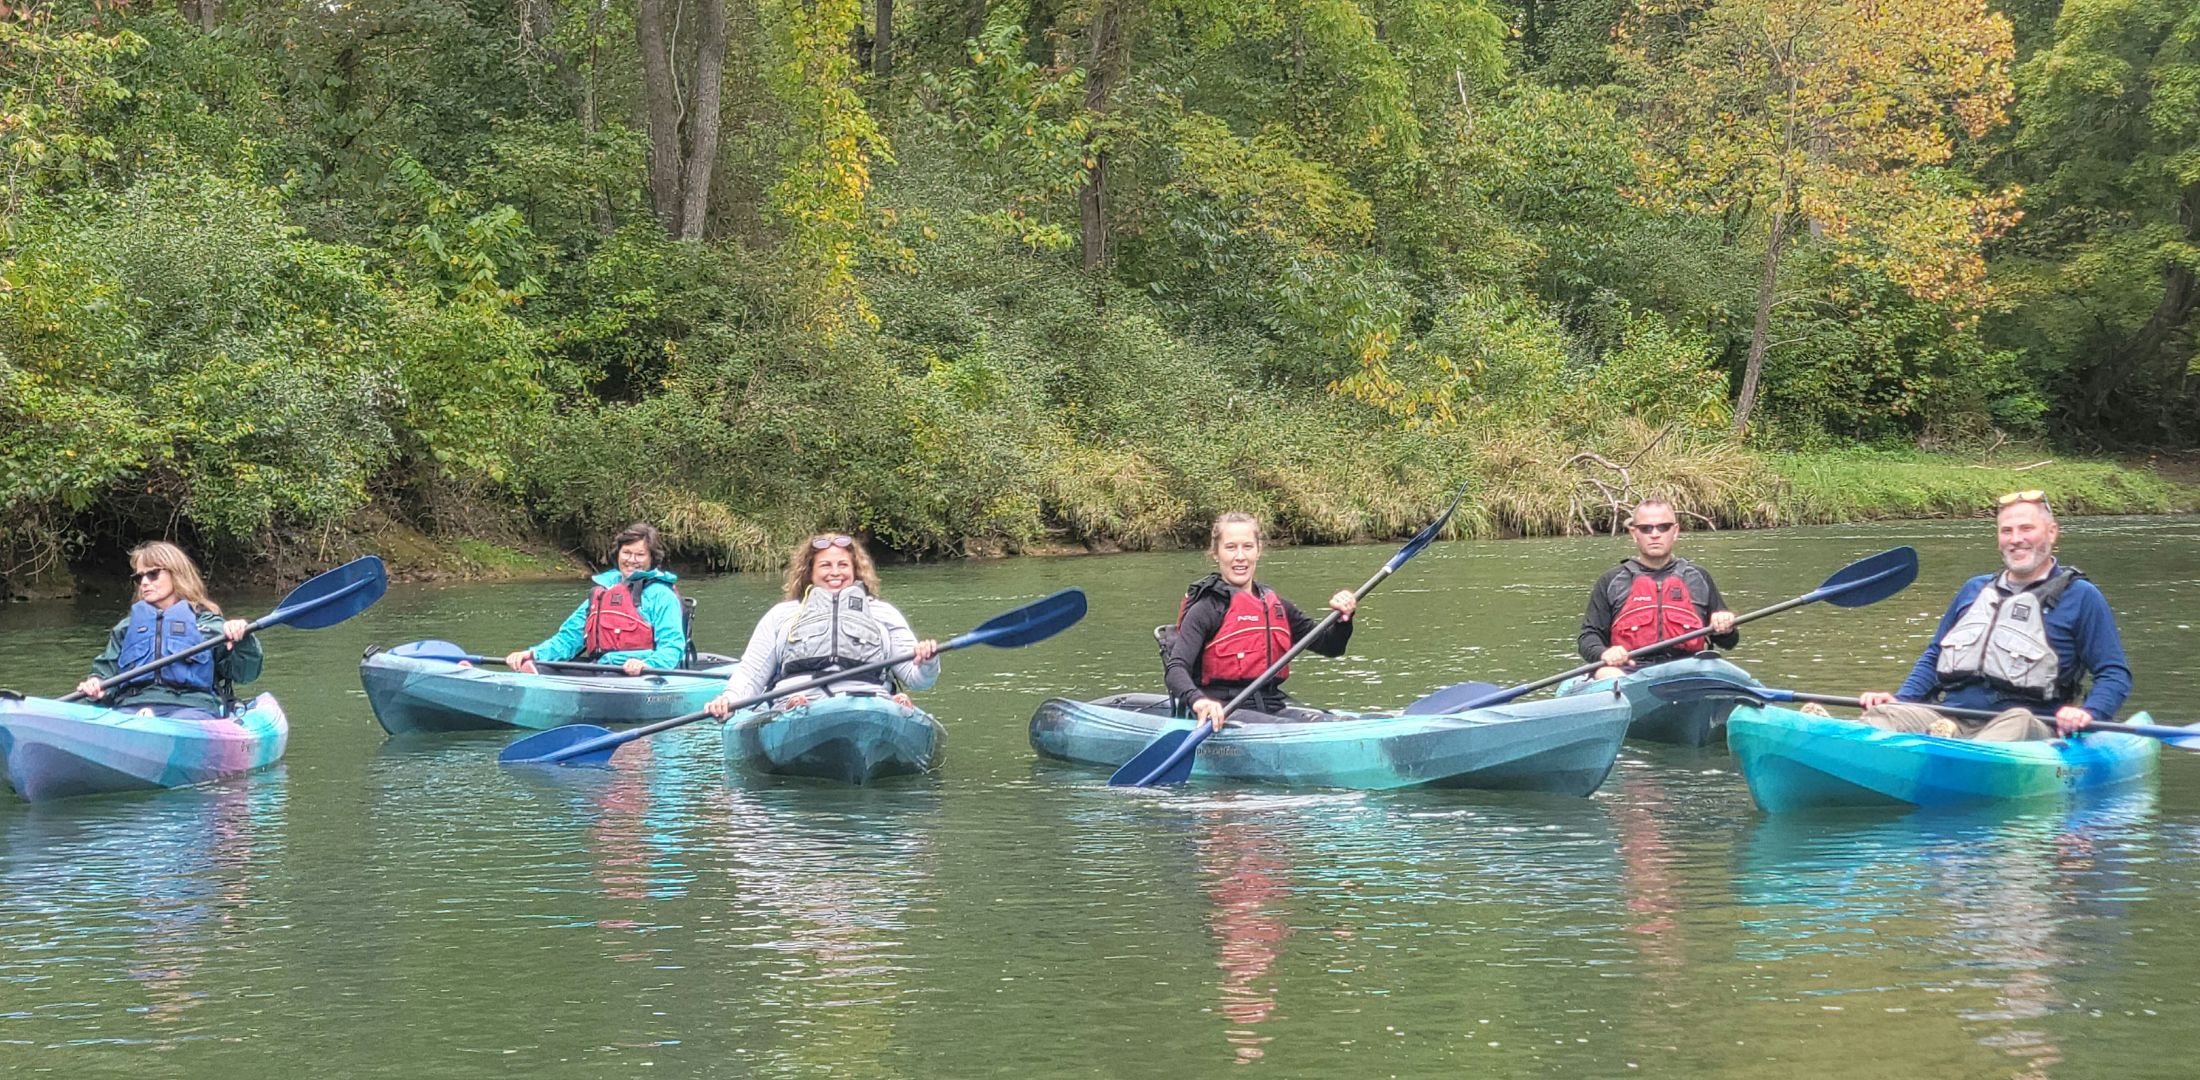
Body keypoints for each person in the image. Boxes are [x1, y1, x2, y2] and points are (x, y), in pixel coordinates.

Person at [1854, 491, 2130, 741]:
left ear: (2052, 532)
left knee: (2018, 720)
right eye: (2006, 531)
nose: (2016, 539)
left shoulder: (2082, 596)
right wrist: (1901, 700)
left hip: (2029, 728)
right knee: (1884, 715)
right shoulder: (1974, 589)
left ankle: (1953, 753)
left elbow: (2113, 674)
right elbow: (1934, 656)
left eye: (2026, 529)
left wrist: (2090, 713)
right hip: (1948, 719)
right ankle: (1939, 741)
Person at [705, 533, 939, 717]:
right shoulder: (782, 615)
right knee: (794, 705)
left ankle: (896, 707)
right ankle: (793, 707)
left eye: (843, 565)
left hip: (871, 703)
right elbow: (751, 674)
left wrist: (927, 660)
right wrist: (729, 699)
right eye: (826, 565)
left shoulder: (882, 612)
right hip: (800, 702)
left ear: (855, 570)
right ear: (810, 572)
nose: (835, 572)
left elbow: (918, 679)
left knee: (884, 704)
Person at [1162, 512, 1357, 732]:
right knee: (1293, 729)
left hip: (1272, 707)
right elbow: (1176, 669)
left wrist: (1343, 619)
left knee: (1336, 722)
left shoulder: (1276, 606)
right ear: (1216, 553)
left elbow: (1331, 647)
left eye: (1247, 546)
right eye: (1230, 547)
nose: (1240, 556)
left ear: (1258, 551)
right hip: (1224, 712)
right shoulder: (1207, 609)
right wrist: (1198, 700)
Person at [74, 541, 262, 720]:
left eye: (153, 574)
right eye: (139, 577)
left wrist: (242, 637)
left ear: (176, 574)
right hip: (130, 708)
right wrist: (97, 687)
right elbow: (106, 675)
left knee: (183, 718)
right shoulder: (126, 628)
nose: (144, 582)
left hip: (191, 709)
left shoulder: (209, 625)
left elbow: (246, 674)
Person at [1578, 499, 1738, 679]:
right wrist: (1603, 653)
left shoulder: (1698, 577)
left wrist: (1726, 626)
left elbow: (1729, 642)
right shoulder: (1611, 580)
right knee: (1606, 672)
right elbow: (1588, 638)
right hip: (1631, 672)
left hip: (1689, 670)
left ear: (1675, 531)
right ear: (1634, 533)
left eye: (1663, 527)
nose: (1655, 534)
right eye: (1646, 528)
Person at [504, 522, 689, 677]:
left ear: (651, 559)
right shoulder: (602, 593)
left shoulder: (662, 596)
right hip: (600, 668)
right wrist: (533, 653)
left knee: (610, 677)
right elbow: (569, 638)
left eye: (640, 555)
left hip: (640, 675)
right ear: (618, 554)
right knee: (538, 668)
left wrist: (647, 664)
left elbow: (672, 647)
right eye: (626, 553)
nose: (632, 560)